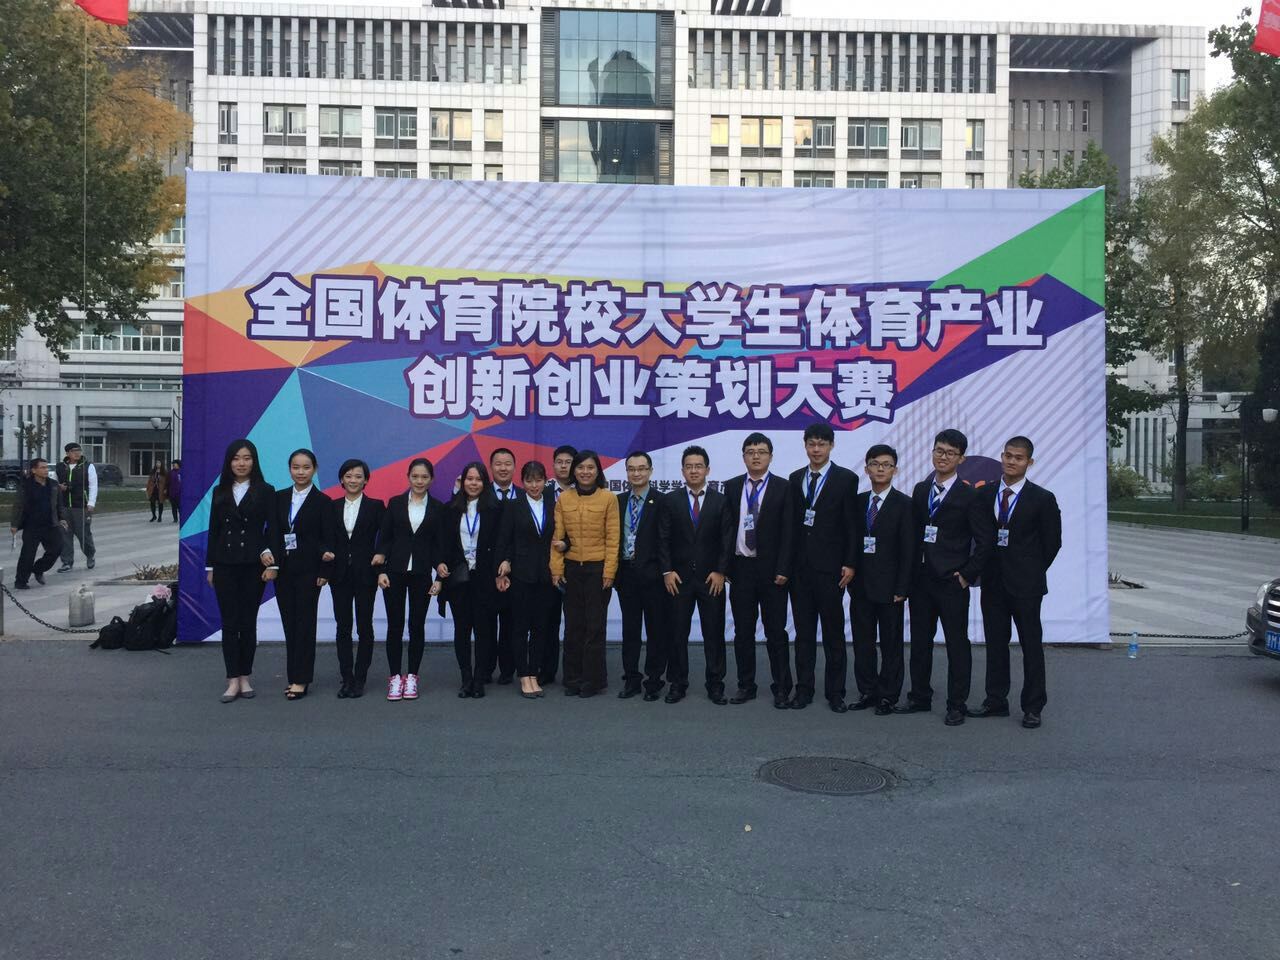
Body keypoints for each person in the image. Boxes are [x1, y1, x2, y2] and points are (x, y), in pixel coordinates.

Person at [902, 428, 993, 726]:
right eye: (939, 451)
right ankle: (919, 696)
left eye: (950, 453)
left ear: (961, 459)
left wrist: (967, 575)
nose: (943, 457)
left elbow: (985, 541)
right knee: (920, 641)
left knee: (956, 644)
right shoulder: (920, 490)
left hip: (952, 582)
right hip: (921, 580)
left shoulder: (970, 495)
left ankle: (957, 704)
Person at [971, 436, 1062, 729]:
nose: (1012, 461)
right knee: (995, 644)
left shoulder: (1042, 499)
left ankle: (1033, 706)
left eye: (1019, 458)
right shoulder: (985, 494)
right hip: (993, 583)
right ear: (1001, 456)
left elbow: (1052, 543)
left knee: (1030, 646)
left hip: (1026, 586)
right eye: (1008, 455)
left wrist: (1031, 570)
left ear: (1029, 462)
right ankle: (995, 700)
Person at [787, 421, 858, 712]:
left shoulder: (846, 479)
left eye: (822, 444)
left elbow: (852, 525)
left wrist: (850, 563)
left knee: (833, 634)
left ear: (831, 446)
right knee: (803, 634)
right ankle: (803, 689)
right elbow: (791, 527)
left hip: (831, 570)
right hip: (800, 570)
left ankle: (836, 692)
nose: (816, 449)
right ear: (805, 445)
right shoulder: (794, 478)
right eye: (812, 444)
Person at [722, 433, 795, 708]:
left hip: (773, 571)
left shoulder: (784, 487)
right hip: (741, 568)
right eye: (750, 451)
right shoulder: (731, 487)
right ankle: (746, 685)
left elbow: (789, 532)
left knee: (776, 632)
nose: (756, 456)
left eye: (761, 451)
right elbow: (726, 530)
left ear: (770, 456)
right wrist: (725, 567)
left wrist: (784, 567)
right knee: (743, 631)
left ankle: (782, 688)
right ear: (743, 456)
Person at [658, 445, 733, 705]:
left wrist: (721, 571)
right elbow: (663, 538)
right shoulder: (671, 500)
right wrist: (667, 571)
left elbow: (727, 540)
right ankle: (677, 684)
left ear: (707, 470)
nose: (693, 470)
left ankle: (716, 685)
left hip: (711, 579)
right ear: (682, 471)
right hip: (678, 579)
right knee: (677, 633)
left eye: (698, 466)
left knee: (714, 634)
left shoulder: (721, 500)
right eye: (689, 466)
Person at [204, 439, 277, 703]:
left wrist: (271, 560)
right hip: (224, 565)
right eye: (236, 458)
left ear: (254, 461)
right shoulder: (219, 491)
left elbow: (273, 529)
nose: (241, 463)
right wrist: (210, 566)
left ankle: (245, 676)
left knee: (247, 623)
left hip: (253, 566)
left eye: (247, 458)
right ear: (229, 462)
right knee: (229, 623)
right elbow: (214, 531)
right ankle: (232, 679)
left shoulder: (266, 490)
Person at [850, 444, 915, 715]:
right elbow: (850, 542)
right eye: (875, 464)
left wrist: (903, 587)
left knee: (891, 644)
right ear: (866, 469)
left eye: (886, 465)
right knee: (862, 642)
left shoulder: (905, 504)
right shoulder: (857, 502)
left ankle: (888, 695)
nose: (880, 469)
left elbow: (909, 550)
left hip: (891, 588)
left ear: (895, 470)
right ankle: (867, 690)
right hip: (860, 586)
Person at [549, 450, 619, 698]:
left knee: (595, 627)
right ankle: (572, 679)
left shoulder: (608, 498)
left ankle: (593, 681)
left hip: (597, 570)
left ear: (598, 471)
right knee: (573, 627)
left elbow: (613, 539)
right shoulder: (564, 499)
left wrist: (609, 571)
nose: (585, 472)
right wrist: (556, 569)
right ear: (574, 471)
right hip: (572, 570)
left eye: (590, 468)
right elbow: (557, 538)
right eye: (580, 467)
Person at [375, 458, 444, 701]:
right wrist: (381, 570)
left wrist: (439, 576)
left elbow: (439, 545)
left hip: (422, 574)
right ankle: (395, 677)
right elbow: (384, 539)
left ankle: (412, 676)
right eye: (415, 476)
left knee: (417, 625)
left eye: (424, 477)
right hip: (394, 573)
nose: (419, 481)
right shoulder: (395, 503)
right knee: (394, 626)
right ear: (408, 477)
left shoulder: (438, 507)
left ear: (431, 479)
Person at [272, 449, 335, 701]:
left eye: (306, 467)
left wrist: (325, 571)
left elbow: (328, 539)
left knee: (305, 625)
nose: (301, 472)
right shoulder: (278, 498)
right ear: (289, 469)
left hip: (310, 572)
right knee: (290, 624)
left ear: (314, 469)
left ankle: (302, 679)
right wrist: (271, 562)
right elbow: (273, 533)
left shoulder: (323, 502)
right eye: (296, 467)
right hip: (283, 571)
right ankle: (293, 676)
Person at [496, 461, 557, 699]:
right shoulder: (513, 506)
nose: (534, 485)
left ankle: (534, 673)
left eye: (538, 480)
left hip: (546, 575)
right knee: (520, 627)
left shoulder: (553, 504)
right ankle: (523, 674)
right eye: (529, 481)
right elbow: (504, 539)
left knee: (541, 628)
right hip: (521, 574)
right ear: (522, 482)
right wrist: (504, 562)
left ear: (545, 481)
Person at [440, 462, 502, 698]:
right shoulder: (451, 509)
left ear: (485, 483)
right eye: (469, 479)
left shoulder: (495, 509)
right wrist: (441, 565)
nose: (473, 483)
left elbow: (501, 543)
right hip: (459, 578)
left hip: (485, 578)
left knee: (484, 630)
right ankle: (465, 678)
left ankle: (479, 679)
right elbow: (444, 544)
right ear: (462, 482)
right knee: (462, 630)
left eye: (478, 479)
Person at [328, 458, 385, 699]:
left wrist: (381, 557)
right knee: (343, 627)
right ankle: (347, 677)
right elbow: (324, 537)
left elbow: (386, 537)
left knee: (364, 627)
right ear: (341, 479)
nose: (353, 480)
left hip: (366, 574)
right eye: (348, 476)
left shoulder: (376, 506)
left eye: (358, 476)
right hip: (339, 574)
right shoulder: (331, 506)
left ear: (366, 480)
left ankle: (360, 678)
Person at [613, 450, 667, 701]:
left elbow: (666, 539)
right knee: (630, 630)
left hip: (654, 576)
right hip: (626, 574)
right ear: (626, 472)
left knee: (656, 630)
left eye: (641, 468)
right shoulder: (618, 501)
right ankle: (631, 679)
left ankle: (653, 681)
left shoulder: (662, 501)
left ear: (650, 471)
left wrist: (664, 571)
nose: (636, 473)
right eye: (632, 469)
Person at [541, 444, 578, 686]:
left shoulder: (586, 491)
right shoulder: (542, 491)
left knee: (575, 623)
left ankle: (574, 673)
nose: (564, 466)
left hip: (577, 564)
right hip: (546, 566)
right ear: (553, 465)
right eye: (559, 462)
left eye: (568, 462)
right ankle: (547, 670)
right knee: (548, 621)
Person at [485, 447, 520, 685]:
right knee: (487, 622)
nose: (503, 468)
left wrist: (510, 561)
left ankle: (508, 669)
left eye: (508, 464)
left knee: (511, 622)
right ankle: (486, 668)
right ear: (491, 467)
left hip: (516, 569)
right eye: (498, 464)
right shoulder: (480, 493)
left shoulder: (524, 495)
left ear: (514, 467)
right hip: (487, 569)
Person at [10, 458, 67, 590]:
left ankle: (38, 568)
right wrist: (14, 524)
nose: (46, 470)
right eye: (42, 467)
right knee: (27, 554)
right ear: (34, 470)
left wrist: (62, 518)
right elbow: (18, 505)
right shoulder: (26, 485)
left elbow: (59, 505)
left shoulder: (53, 485)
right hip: (32, 526)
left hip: (50, 525)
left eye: (47, 467)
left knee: (57, 548)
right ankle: (21, 581)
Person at [55, 442, 97, 572]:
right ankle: (67, 561)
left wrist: (91, 503)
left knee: (83, 534)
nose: (77, 453)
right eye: (74, 451)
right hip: (64, 506)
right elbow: (54, 483)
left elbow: (93, 485)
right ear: (67, 453)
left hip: (81, 506)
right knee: (65, 535)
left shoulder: (88, 466)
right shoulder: (60, 467)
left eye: (79, 450)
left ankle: (90, 555)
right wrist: (59, 487)